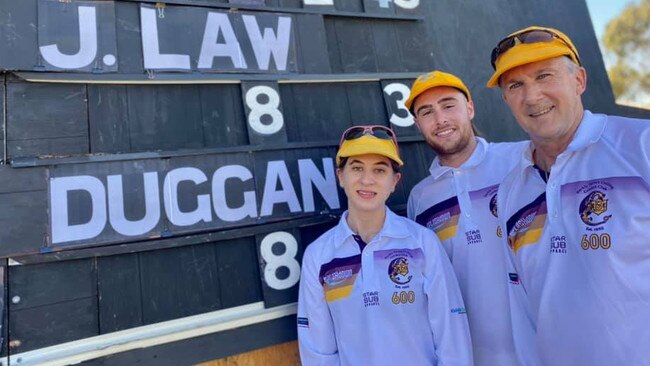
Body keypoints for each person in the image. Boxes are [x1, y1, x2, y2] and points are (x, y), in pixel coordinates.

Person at [488, 25, 650, 365]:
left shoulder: (641, 147)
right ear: (506, 100)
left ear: (579, 80)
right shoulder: (511, 192)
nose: (532, 97)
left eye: (544, 76)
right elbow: (524, 308)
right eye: (515, 85)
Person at [297, 125, 473, 365]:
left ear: (394, 181)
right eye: (357, 168)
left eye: (379, 170)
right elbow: (318, 350)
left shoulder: (422, 242)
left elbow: (451, 332)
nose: (367, 180)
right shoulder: (319, 255)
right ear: (341, 176)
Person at [405, 70, 528, 366]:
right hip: (474, 355)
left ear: (470, 108)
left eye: (449, 105)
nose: (440, 119)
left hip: (547, 346)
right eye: (427, 112)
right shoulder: (420, 199)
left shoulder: (521, 159)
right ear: (417, 123)